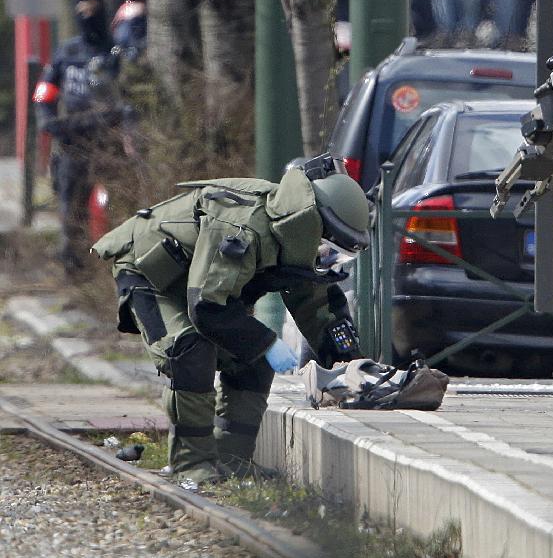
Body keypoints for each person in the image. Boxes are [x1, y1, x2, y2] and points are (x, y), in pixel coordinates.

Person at [91, 157, 370, 485]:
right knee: (189, 351)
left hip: (199, 287)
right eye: (329, 250)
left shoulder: (295, 239)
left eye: (338, 256)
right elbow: (208, 308)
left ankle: (231, 461)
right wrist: (265, 342)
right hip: (149, 274)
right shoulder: (244, 229)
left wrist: (353, 371)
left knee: (252, 361)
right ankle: (191, 465)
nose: (328, 260)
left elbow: (318, 309)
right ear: (312, 226)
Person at [33, 0, 120, 272]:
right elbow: (45, 91)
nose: (87, 16)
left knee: (114, 205)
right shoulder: (67, 52)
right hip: (72, 143)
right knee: (71, 206)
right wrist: (46, 118)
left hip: (110, 142)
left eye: (92, 10)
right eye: (81, 10)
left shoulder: (115, 51)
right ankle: (75, 267)